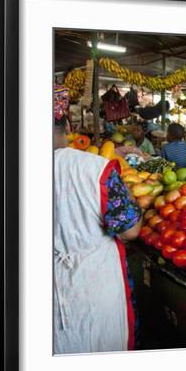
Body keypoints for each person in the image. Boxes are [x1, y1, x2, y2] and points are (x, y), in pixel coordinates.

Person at [53, 116, 142, 354]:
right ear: (69, 128)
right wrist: (133, 203)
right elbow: (130, 229)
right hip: (94, 284)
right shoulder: (94, 168)